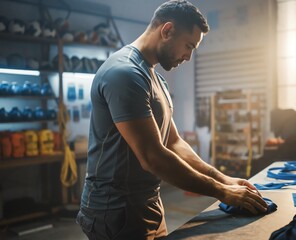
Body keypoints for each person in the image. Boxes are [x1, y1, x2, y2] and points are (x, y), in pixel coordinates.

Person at [76, 1, 268, 239]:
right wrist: (221, 192)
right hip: (115, 209)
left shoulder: (156, 79)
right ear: (167, 30)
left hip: (148, 203)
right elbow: (153, 157)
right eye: (188, 46)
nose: (188, 57)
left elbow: (174, 142)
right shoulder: (124, 74)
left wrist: (224, 179)